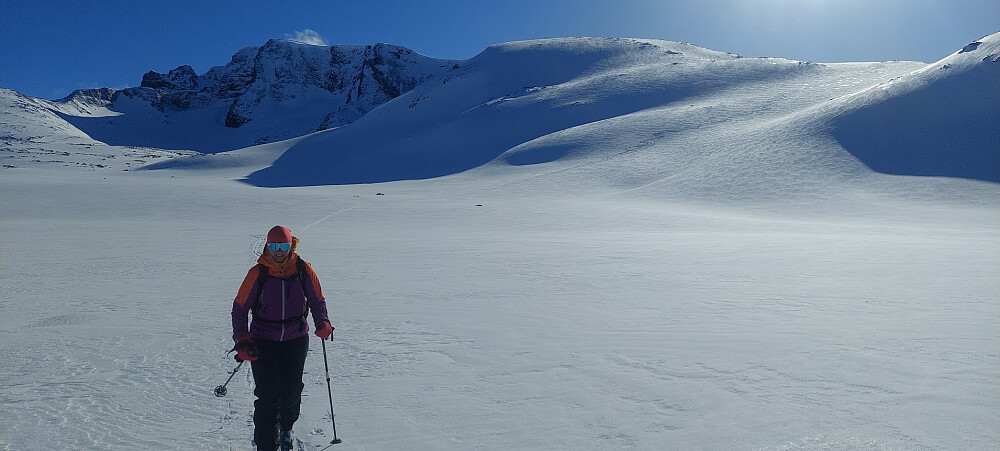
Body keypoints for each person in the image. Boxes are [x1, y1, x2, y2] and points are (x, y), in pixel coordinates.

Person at [231, 225, 333, 451]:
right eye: (274, 246)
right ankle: (266, 444)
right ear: (268, 246)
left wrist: (322, 321)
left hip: (295, 339)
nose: (279, 251)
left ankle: (286, 427)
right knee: (267, 396)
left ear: (291, 245)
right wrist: (242, 339)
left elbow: (317, 299)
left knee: (291, 390)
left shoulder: (303, 269)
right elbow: (239, 308)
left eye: (283, 245)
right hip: (263, 340)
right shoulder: (258, 273)